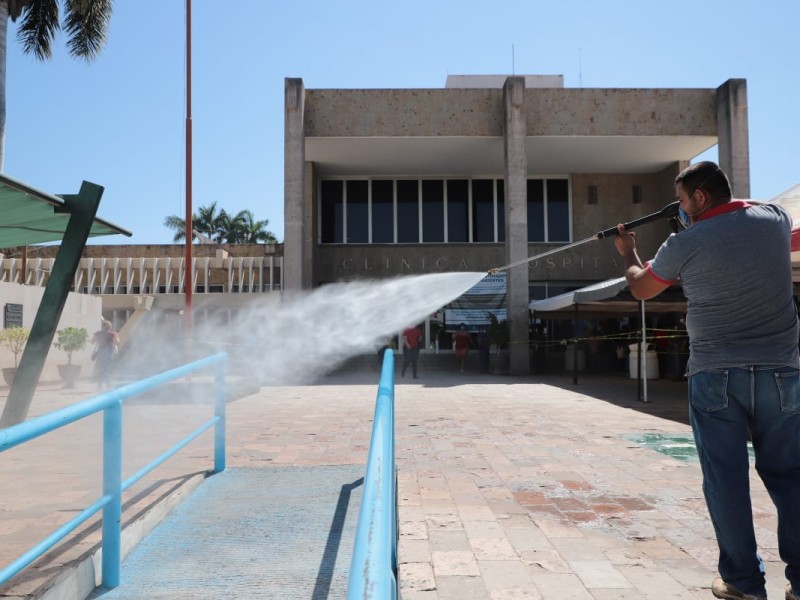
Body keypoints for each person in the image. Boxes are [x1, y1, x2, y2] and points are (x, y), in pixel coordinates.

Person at [613, 161, 800, 600]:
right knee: (791, 477)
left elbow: (642, 287)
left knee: (726, 481)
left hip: (715, 376)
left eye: (682, 201)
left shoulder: (684, 242)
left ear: (699, 198)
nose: (680, 210)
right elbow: (749, 209)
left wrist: (627, 251)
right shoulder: (774, 222)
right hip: (781, 374)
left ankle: (743, 583)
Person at [92, 319, 119, 390]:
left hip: (100, 354)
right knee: (106, 369)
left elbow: (92, 342)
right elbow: (117, 342)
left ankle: (100, 386)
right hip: (108, 354)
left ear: (102, 326)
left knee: (101, 369)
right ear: (110, 327)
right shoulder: (112, 334)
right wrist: (117, 336)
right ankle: (107, 385)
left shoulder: (97, 333)